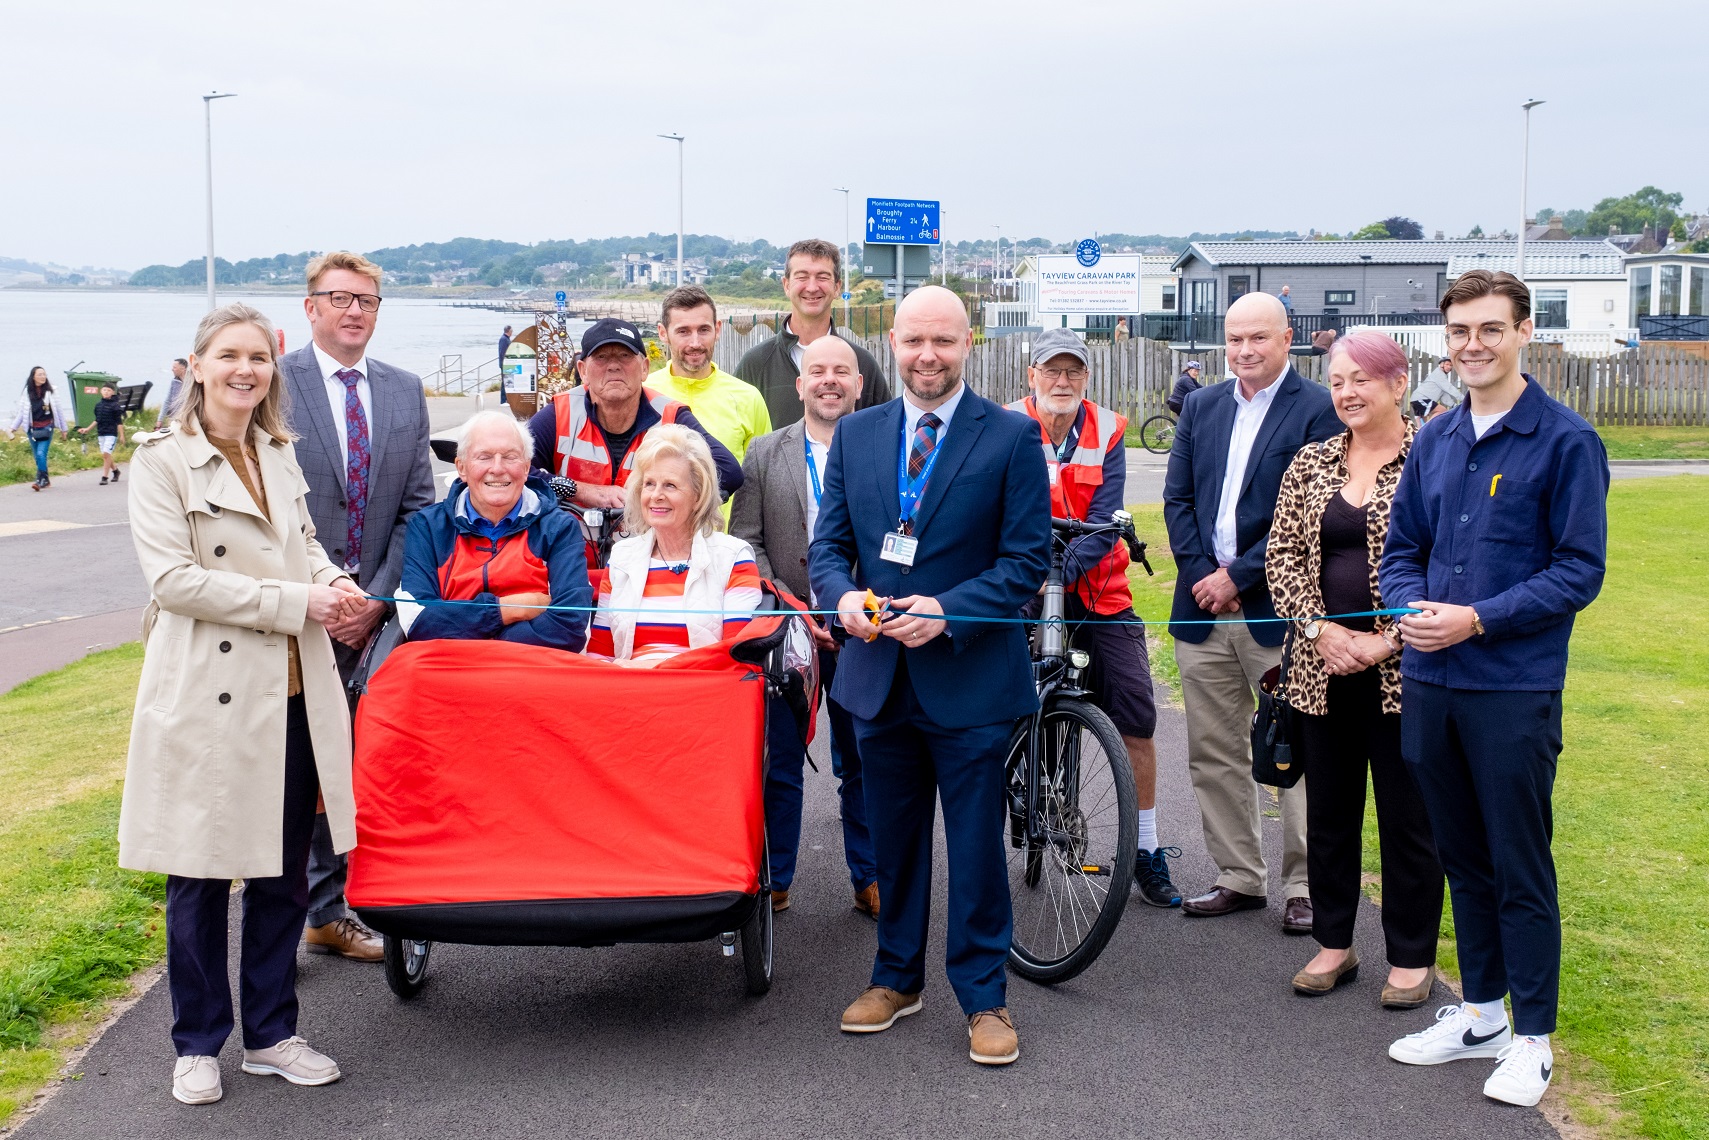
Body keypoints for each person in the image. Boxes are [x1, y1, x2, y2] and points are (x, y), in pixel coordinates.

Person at [121, 302, 368, 1106]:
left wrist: (333, 583)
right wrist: (298, 599)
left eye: (257, 358)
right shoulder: (161, 461)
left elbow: (306, 544)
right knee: (196, 875)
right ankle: (196, 1042)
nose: (244, 370)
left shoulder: (277, 449)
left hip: (289, 691)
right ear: (195, 364)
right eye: (228, 355)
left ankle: (270, 1034)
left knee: (281, 876)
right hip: (204, 695)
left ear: (273, 367)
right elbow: (175, 582)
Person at [1380, 270, 1609, 1108]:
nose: (1471, 345)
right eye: (1458, 332)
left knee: (1518, 862)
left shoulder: (1565, 440)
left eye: (1488, 329)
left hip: (1509, 687)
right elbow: (1402, 543)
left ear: (1522, 332)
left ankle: (1532, 1037)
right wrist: (1409, 606)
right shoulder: (1434, 438)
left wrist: (1476, 619)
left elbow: (1578, 571)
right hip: (1429, 679)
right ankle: (1478, 1014)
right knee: (1459, 856)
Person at [810, 285, 1050, 1067]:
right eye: (914, 340)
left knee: (977, 846)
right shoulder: (856, 435)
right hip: (878, 678)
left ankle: (984, 997)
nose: (926, 356)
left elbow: (1024, 563)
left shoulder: (1011, 437)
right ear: (892, 339)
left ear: (968, 342)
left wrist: (948, 610)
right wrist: (842, 597)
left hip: (969, 678)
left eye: (942, 342)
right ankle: (895, 978)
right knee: (895, 842)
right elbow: (827, 549)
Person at [1266, 331, 1443, 1006]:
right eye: (1336, 381)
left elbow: (1449, 561)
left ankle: (1410, 959)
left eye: (1360, 379)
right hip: (1321, 671)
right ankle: (1333, 945)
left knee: (1407, 821)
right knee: (1330, 818)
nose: (1346, 392)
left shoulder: (1433, 458)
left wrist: (1385, 641)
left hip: (1406, 677)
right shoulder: (1310, 462)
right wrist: (1320, 629)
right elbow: (1280, 555)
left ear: (1397, 383)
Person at [1162, 291, 1339, 930]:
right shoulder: (1202, 405)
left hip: (1278, 611)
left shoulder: (1319, 410)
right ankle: (1238, 874)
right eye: (1235, 339)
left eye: (1258, 338)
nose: (1244, 351)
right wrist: (1204, 577)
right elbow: (1177, 501)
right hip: (1203, 610)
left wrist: (1237, 576)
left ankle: (1304, 885)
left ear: (1287, 338)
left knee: (1293, 751)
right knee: (1213, 750)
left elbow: (1311, 513)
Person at [280, 251, 436, 963]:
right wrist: (317, 594)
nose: (354, 311)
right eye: (339, 298)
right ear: (310, 307)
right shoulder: (272, 386)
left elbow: (416, 509)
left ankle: (334, 904)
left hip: (373, 612)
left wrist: (373, 599)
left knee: (362, 757)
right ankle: (293, 916)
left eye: (367, 300)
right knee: (290, 769)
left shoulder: (405, 392)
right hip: (293, 609)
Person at [1007, 328, 1179, 907]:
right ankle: (1009, 788)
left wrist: (1060, 571)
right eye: (1051, 371)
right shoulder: (1003, 425)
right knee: (993, 698)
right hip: (1022, 584)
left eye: (1073, 372)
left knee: (1135, 711)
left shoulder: (1107, 429)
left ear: (1086, 378)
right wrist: (1031, 577)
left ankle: (1147, 849)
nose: (1063, 382)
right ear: (1031, 376)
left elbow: (1106, 517)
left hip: (1097, 587)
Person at [730, 335, 878, 918]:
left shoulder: (882, 450)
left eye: (842, 371)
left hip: (861, 624)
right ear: (800, 385)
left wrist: (862, 606)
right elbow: (747, 542)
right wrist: (789, 605)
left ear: (859, 383)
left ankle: (869, 877)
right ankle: (776, 876)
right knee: (780, 758)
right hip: (786, 627)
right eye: (817, 371)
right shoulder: (765, 453)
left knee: (862, 758)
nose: (829, 381)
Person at [399, 411, 591, 651]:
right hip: (452, 671)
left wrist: (479, 637)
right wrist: (509, 609)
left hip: (531, 672)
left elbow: (571, 626)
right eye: (484, 457)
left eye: (510, 457)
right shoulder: (428, 526)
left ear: (526, 467)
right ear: (462, 467)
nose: (498, 469)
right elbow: (419, 622)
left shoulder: (559, 527)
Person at [526, 318, 742, 515]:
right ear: (582, 371)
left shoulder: (670, 415)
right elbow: (513, 471)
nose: (613, 366)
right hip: (570, 553)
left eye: (625, 356)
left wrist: (656, 498)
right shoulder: (561, 413)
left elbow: (729, 472)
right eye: (601, 357)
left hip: (651, 552)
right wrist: (580, 491)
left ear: (644, 368)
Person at [585, 425, 760, 665]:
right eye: (649, 484)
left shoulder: (734, 557)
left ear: (698, 495)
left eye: (670, 485)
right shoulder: (621, 558)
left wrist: (650, 670)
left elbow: (735, 658)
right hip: (627, 693)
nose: (656, 495)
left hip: (699, 695)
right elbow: (600, 654)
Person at [735, 238, 892, 428]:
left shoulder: (862, 363)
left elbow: (885, 435)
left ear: (837, 287)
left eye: (823, 277)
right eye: (802, 277)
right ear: (786, 285)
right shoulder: (755, 364)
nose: (812, 287)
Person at [646, 286, 772, 463]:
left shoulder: (748, 398)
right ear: (663, 333)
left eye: (704, 330)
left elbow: (763, 476)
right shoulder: (643, 394)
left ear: (717, 329)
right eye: (683, 331)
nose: (695, 343)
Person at [9, 366, 68, 490]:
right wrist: (13, 427)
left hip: (47, 427)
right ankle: (45, 480)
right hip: (32, 429)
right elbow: (22, 412)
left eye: (44, 374)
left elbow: (59, 410)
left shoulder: (51, 391)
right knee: (37, 457)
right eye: (40, 374)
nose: (43, 377)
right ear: (33, 376)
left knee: (41, 453)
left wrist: (64, 429)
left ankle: (40, 480)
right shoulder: (27, 391)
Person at [78, 379, 127, 484]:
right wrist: (87, 429)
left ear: (112, 392)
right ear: (101, 391)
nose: (106, 392)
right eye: (104, 390)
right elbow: (97, 420)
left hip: (111, 433)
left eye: (109, 390)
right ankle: (116, 471)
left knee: (106, 454)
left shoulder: (115, 406)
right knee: (106, 455)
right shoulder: (98, 405)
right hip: (101, 433)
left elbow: (119, 422)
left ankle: (104, 477)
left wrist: (122, 435)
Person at [1410, 358, 1462, 422]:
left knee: (1421, 428)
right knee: (1442, 410)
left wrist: (1453, 405)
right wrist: (1464, 399)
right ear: (1441, 364)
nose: (1449, 367)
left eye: (1451, 365)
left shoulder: (1441, 376)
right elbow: (1449, 388)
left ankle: (1424, 430)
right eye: (1447, 364)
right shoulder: (1439, 374)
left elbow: (1444, 395)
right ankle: (1429, 427)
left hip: (1417, 399)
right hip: (1421, 398)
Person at [157, 357, 189, 429]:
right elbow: (167, 401)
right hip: (173, 419)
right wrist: (160, 419)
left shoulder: (192, 382)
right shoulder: (174, 382)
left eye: (174, 367)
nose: (172, 369)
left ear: (183, 368)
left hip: (188, 419)